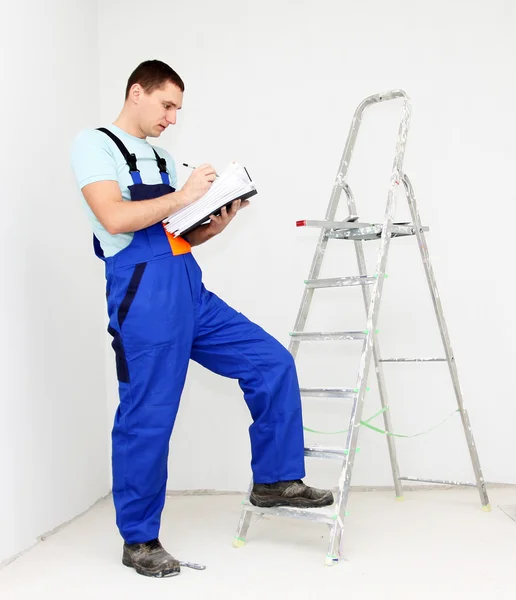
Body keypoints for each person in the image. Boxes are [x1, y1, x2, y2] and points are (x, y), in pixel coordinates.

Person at [70, 59, 333, 579]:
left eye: (178, 110)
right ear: (136, 92)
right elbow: (115, 217)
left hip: (188, 285)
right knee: (149, 414)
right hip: (143, 295)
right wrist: (184, 194)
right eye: (167, 105)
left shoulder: (165, 157)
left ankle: (275, 480)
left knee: (270, 362)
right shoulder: (94, 144)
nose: (172, 118)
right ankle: (140, 540)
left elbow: (179, 235)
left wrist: (216, 219)